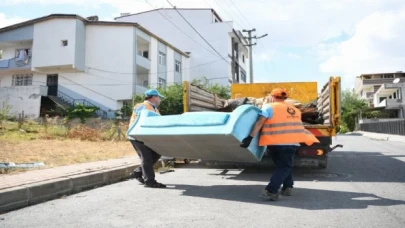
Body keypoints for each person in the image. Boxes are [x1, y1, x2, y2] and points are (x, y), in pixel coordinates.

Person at [240, 88, 319, 201]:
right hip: (291, 142)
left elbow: (260, 122)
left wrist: (250, 137)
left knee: (282, 166)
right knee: (284, 166)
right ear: (286, 98)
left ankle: (284, 188)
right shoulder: (295, 110)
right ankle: (273, 190)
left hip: (274, 142)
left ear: (272, 97)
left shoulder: (269, 107)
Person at [127, 89, 166, 188]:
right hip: (137, 135)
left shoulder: (155, 109)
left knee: (157, 153)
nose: (160, 100)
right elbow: (142, 119)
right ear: (153, 97)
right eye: (159, 97)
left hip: (148, 136)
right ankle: (150, 181)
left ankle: (138, 172)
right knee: (147, 157)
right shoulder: (141, 106)